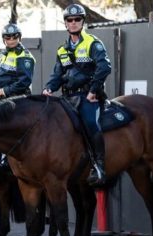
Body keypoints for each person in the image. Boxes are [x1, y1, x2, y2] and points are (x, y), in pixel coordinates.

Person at [42, 4, 112, 187]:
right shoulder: (62, 49)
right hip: (67, 98)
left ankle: (99, 166)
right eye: (69, 20)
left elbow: (104, 67)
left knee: (90, 123)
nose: (73, 23)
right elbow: (57, 74)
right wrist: (49, 88)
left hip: (88, 96)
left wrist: (93, 91)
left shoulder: (93, 43)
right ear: (65, 23)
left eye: (77, 19)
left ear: (83, 21)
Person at [0, 23, 35, 99]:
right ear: (4, 39)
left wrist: (6, 90)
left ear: (19, 38)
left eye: (15, 37)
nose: (11, 40)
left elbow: (24, 82)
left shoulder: (24, 56)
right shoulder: (6, 54)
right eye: (8, 37)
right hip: (2, 95)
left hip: (17, 97)